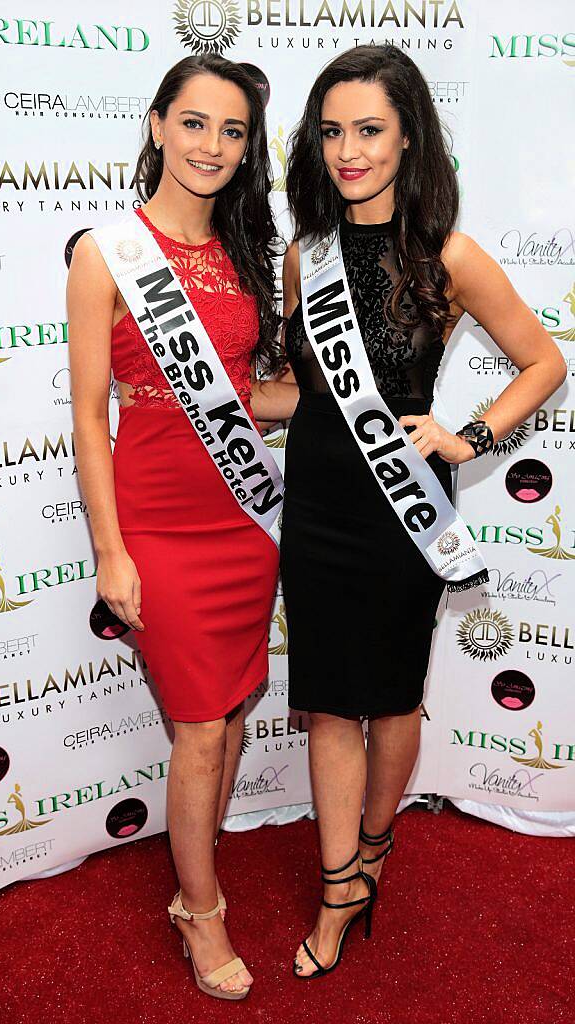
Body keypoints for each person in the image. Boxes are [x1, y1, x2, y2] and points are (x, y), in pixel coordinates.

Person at [279, 44, 566, 979]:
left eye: (369, 130)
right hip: (317, 503)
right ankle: (340, 891)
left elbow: (544, 361)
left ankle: (373, 848)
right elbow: (306, 391)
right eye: (333, 132)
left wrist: (469, 439)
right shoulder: (304, 255)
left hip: (405, 514)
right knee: (327, 703)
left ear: (409, 138)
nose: (349, 151)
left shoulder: (446, 253)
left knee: (392, 696)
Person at [67, 55, 296, 1000]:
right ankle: (200, 912)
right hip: (155, 525)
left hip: (243, 525)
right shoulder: (106, 252)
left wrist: (351, 403)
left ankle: (196, 879)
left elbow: (248, 398)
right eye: (194, 123)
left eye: (232, 131)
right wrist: (110, 551)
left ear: (248, 151)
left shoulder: (248, 254)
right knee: (202, 726)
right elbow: (89, 416)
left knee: (228, 715)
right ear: (158, 125)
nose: (211, 146)